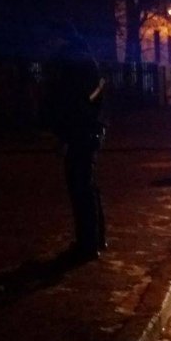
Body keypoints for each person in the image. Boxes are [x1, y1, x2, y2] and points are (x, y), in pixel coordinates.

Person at [43, 22, 106, 262]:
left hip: (81, 132)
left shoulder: (71, 64)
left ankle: (88, 244)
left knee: (81, 187)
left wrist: (64, 133)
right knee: (86, 186)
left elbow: (71, 103)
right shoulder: (84, 61)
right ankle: (95, 239)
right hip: (86, 130)